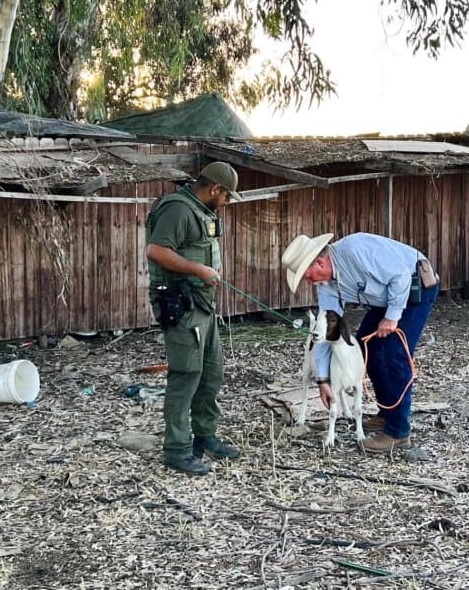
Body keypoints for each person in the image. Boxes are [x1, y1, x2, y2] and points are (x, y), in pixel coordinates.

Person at [280, 232, 439, 453]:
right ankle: (386, 414)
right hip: (385, 297)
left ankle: (398, 432)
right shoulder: (326, 285)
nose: (309, 282)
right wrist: (323, 380)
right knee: (366, 346)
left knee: (394, 354)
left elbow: (400, 276)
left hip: (414, 286)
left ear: (319, 262)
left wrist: (392, 317)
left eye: (308, 276)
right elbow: (328, 330)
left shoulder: (355, 250)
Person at [145, 161, 244, 475]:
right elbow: (156, 251)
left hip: (203, 304)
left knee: (211, 373)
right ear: (214, 188)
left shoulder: (202, 210)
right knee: (186, 375)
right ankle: (177, 449)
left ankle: (205, 437)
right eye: (227, 195)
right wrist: (198, 270)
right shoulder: (178, 209)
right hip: (182, 304)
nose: (227, 202)